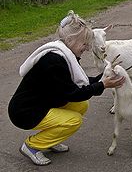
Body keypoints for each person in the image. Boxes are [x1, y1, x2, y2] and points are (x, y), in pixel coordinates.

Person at [8, 10, 125, 166]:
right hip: (25, 112)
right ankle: (32, 146)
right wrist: (103, 84)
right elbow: (74, 93)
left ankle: (51, 139)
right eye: (84, 43)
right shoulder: (55, 61)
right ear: (71, 40)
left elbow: (75, 85)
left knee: (82, 105)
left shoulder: (63, 54)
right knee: (74, 120)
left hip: (42, 103)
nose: (87, 48)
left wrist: (104, 76)